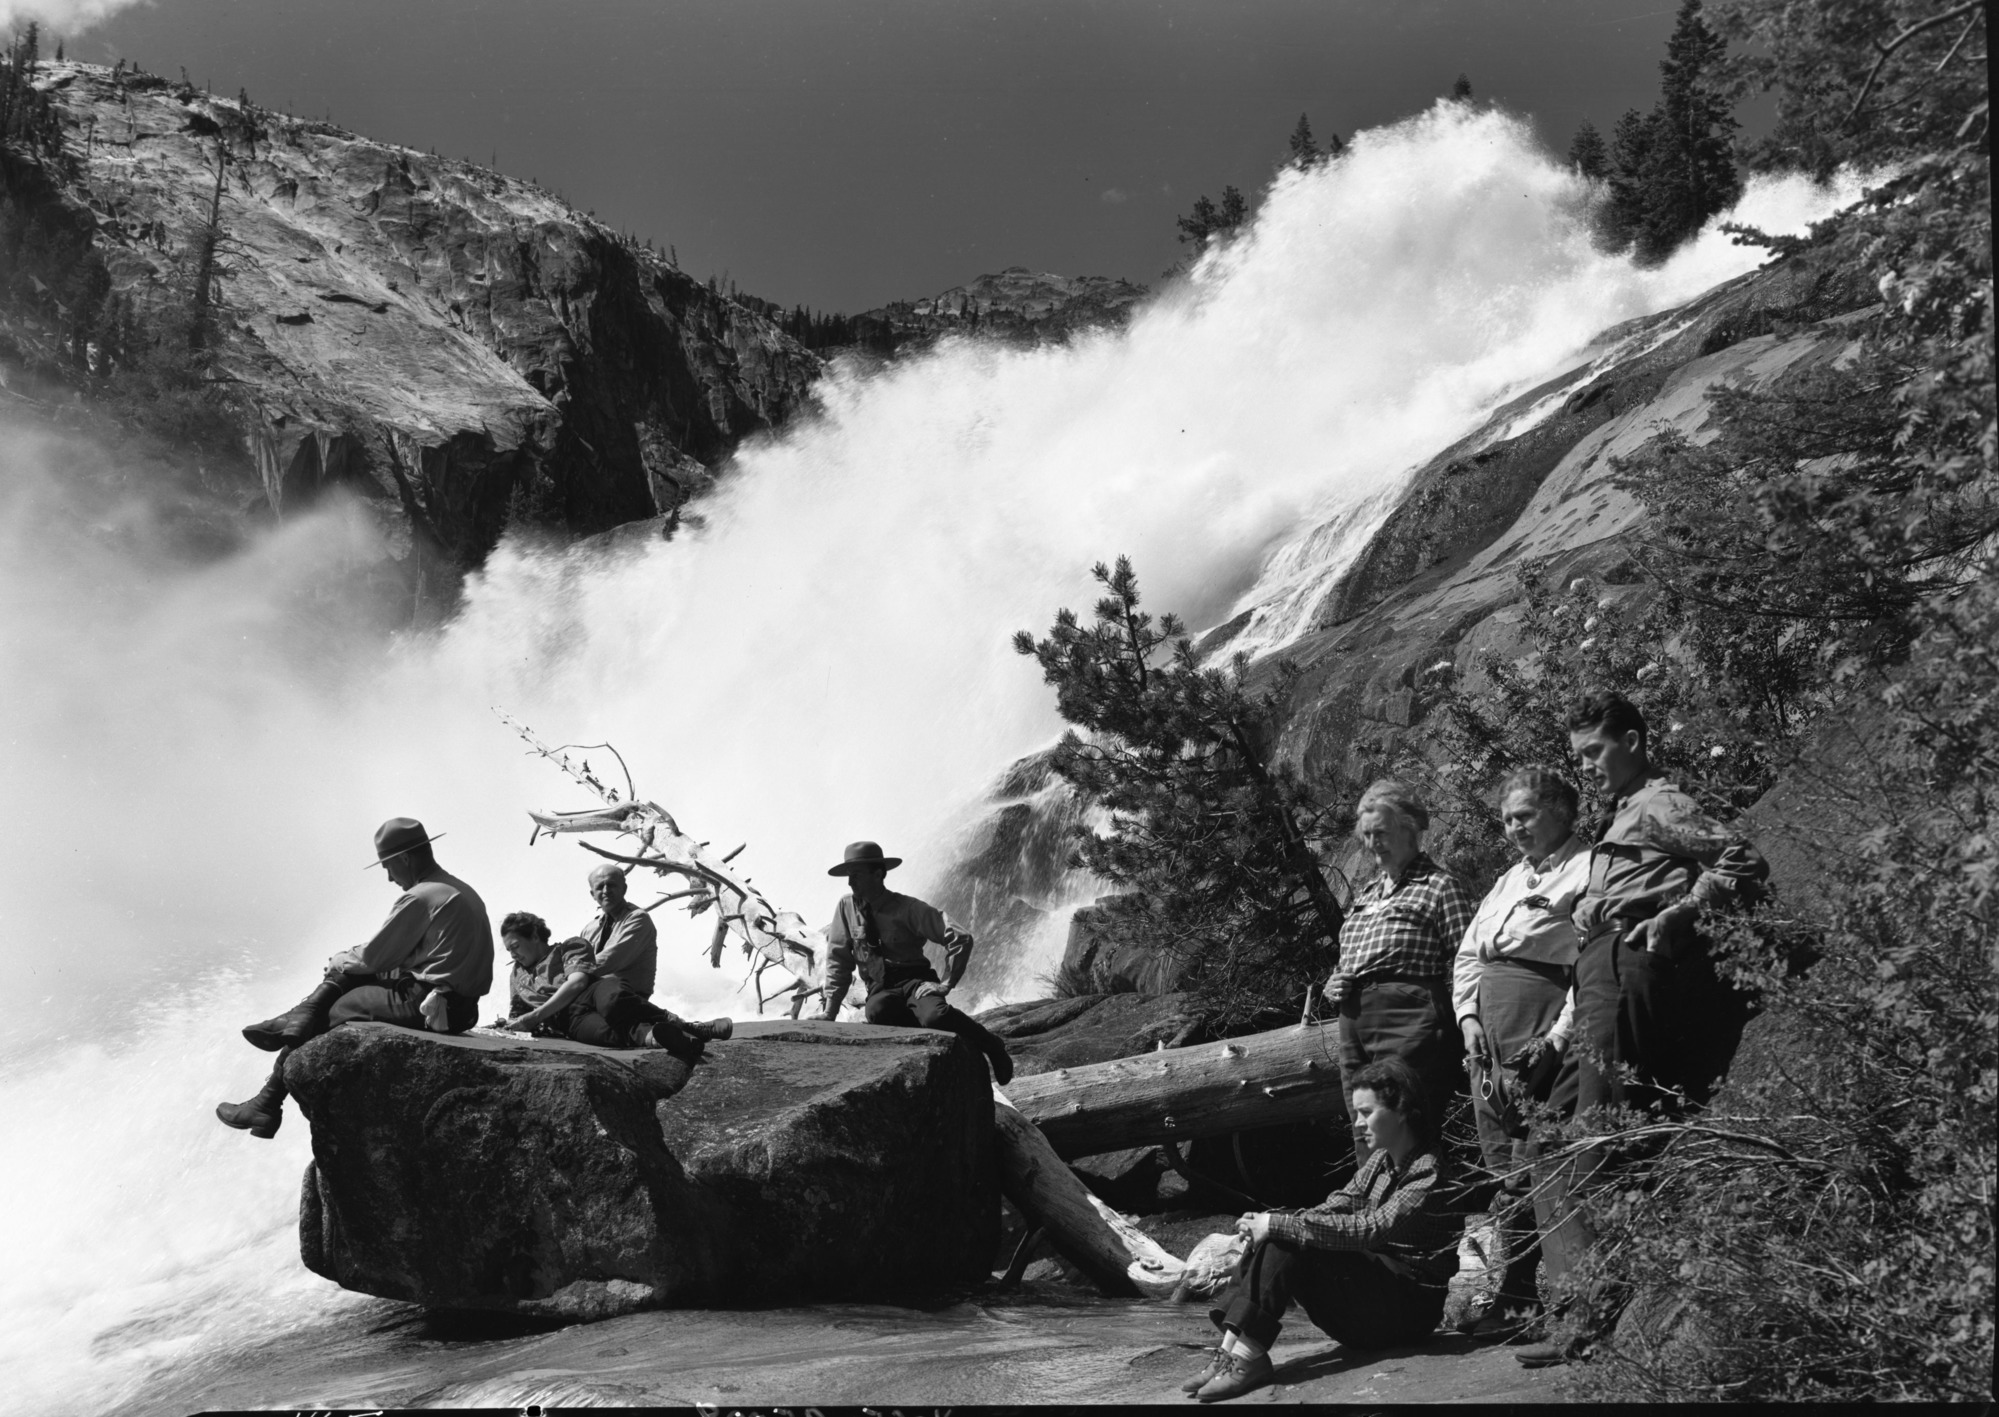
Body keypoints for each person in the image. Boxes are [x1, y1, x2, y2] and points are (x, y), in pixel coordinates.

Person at [1185, 1057, 1461, 1403]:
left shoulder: (1429, 1173)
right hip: (1375, 1299)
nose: (1357, 1124)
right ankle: (1231, 1352)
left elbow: (1369, 1230)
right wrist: (1269, 1222)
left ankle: (1247, 1358)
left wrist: (1280, 1226)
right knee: (1284, 1225)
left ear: (1402, 1111)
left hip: (1407, 1312)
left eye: (1366, 1113)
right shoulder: (1381, 1161)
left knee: (1288, 1233)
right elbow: (1336, 1205)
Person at [217, 817, 494, 1139]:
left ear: (404, 858)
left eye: (388, 867)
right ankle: (285, 1049)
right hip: (461, 1008)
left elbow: (375, 956)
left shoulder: (421, 896)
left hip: (427, 1005)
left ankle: (269, 1095)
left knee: (335, 1003)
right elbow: (400, 956)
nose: (390, 877)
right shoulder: (458, 890)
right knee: (349, 978)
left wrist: (339, 959)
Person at [1561, 691, 1768, 1117]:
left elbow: (1740, 859)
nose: (1584, 766)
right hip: (1597, 966)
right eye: (1579, 755)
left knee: (1600, 1120)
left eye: (1594, 751)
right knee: (1561, 1118)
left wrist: (1679, 911)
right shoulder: (1622, 811)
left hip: (1623, 958)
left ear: (1632, 742)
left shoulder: (1656, 802)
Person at [1450, 767, 1589, 1325]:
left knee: (1543, 1150)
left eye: (1524, 815)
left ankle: (1565, 1296)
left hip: (1541, 1020)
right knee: (1503, 1158)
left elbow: (1590, 965)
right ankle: (1516, 1293)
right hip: (1488, 1032)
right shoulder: (1508, 879)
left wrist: (1558, 1036)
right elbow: (1468, 955)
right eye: (1507, 819)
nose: (1513, 827)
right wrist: (1467, 1017)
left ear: (1559, 809)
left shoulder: (1586, 867)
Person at [1327, 780, 1476, 1161]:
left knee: (1399, 1121)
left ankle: (1416, 1213)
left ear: (1410, 829)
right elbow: (1352, 957)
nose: (1373, 842)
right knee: (1363, 1122)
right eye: (1367, 834)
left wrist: (1471, 1020)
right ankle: (1370, 1212)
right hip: (1353, 1020)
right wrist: (1335, 982)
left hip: (1411, 1018)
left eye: (1382, 832)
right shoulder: (1368, 893)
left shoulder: (1439, 886)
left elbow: (1468, 958)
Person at [819, 840, 1014, 1085]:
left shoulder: (908, 907)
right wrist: (830, 1012)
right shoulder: (845, 907)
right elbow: (838, 959)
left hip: (915, 979)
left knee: (936, 1017)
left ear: (878, 874)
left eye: (856, 875)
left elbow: (960, 937)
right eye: (849, 876)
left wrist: (945, 984)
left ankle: (992, 1045)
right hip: (880, 985)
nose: (850, 882)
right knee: (877, 1012)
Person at [492, 907, 732, 1054]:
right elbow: (517, 1015)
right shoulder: (517, 975)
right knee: (604, 1033)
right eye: (508, 950)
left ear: (534, 936)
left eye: (515, 946)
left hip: (592, 991)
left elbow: (577, 982)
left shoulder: (569, 947)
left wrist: (535, 1016)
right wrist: (510, 1024)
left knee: (613, 1001)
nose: (513, 954)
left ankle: (688, 1027)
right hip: (569, 1018)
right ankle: (666, 1039)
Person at [576, 862, 659, 1000]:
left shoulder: (637, 918)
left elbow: (610, 959)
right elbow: (580, 960)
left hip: (627, 998)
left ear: (624, 889)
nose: (606, 891)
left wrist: (570, 975)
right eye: (600, 887)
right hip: (593, 995)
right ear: (593, 894)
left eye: (612, 885)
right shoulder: (589, 929)